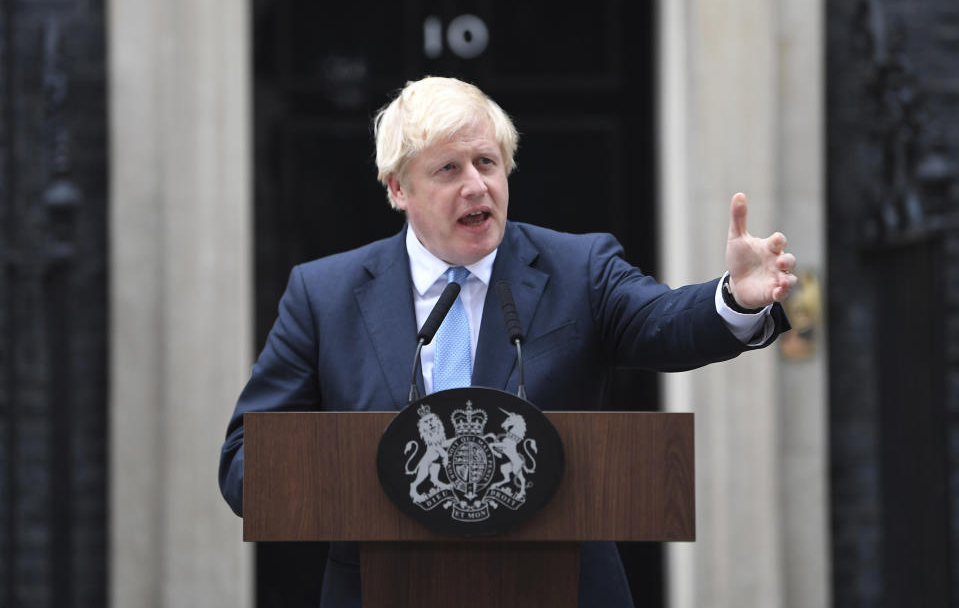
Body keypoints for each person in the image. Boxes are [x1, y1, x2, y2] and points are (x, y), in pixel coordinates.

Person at [219, 76, 795, 607]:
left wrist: (736, 299)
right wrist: (361, 479)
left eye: (487, 162)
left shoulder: (579, 268)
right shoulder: (323, 295)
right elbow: (247, 462)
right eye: (448, 169)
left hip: (561, 587)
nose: (477, 186)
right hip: (384, 589)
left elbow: (664, 322)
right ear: (398, 188)